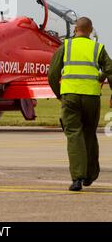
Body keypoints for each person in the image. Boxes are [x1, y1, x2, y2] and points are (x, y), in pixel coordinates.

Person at [48, 17, 112, 191]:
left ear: (76, 29)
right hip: (91, 97)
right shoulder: (98, 48)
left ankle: (77, 179)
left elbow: (52, 74)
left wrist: (59, 94)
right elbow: (110, 70)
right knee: (89, 134)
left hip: (70, 97)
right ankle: (90, 176)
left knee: (74, 135)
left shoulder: (65, 47)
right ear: (90, 30)